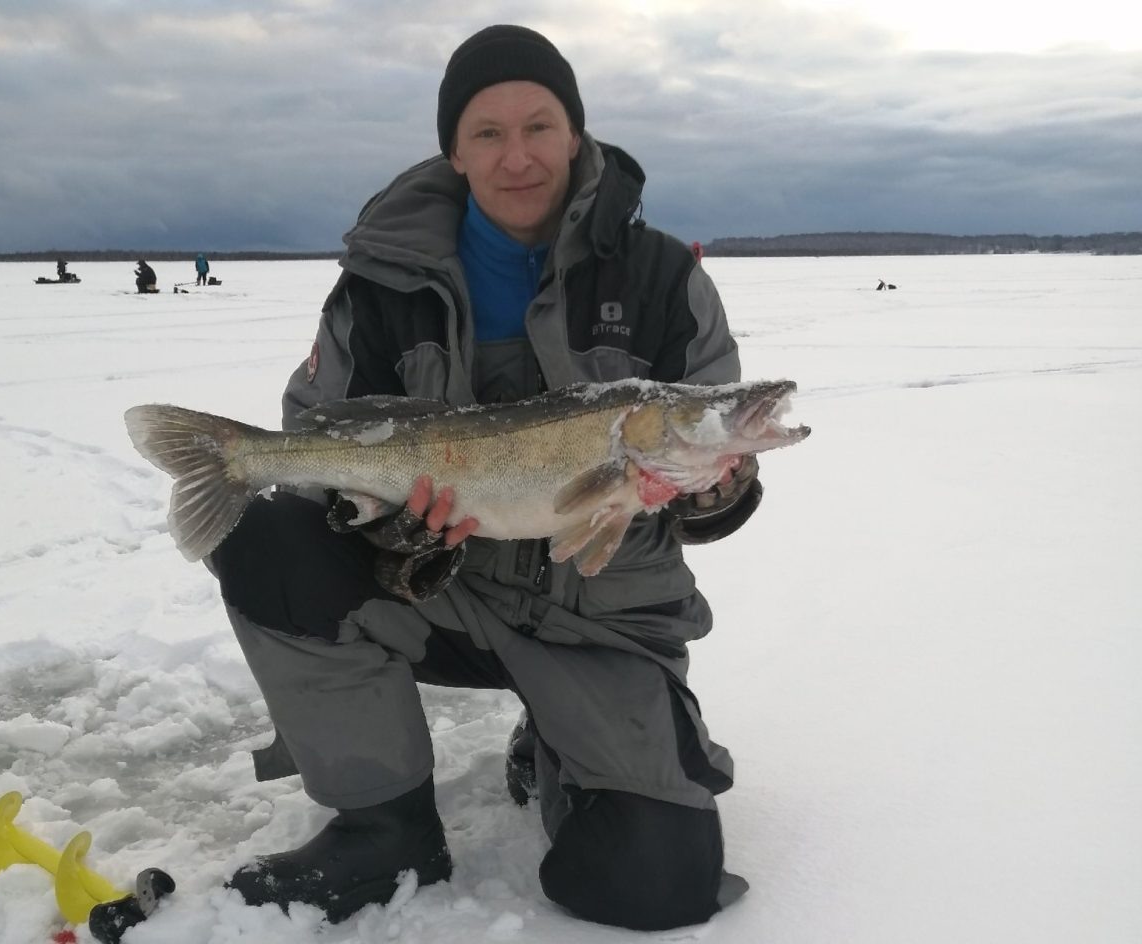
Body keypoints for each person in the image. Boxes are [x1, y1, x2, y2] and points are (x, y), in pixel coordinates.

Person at [210, 24, 763, 932]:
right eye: (489, 133)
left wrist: (716, 487)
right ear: (455, 152)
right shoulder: (380, 284)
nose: (518, 157)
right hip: (439, 592)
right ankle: (382, 823)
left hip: (603, 617)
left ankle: (561, 741)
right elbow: (318, 434)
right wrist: (389, 530)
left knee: (650, 884)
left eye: (540, 127)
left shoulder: (662, 275)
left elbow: (707, 476)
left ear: (575, 136)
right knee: (267, 532)